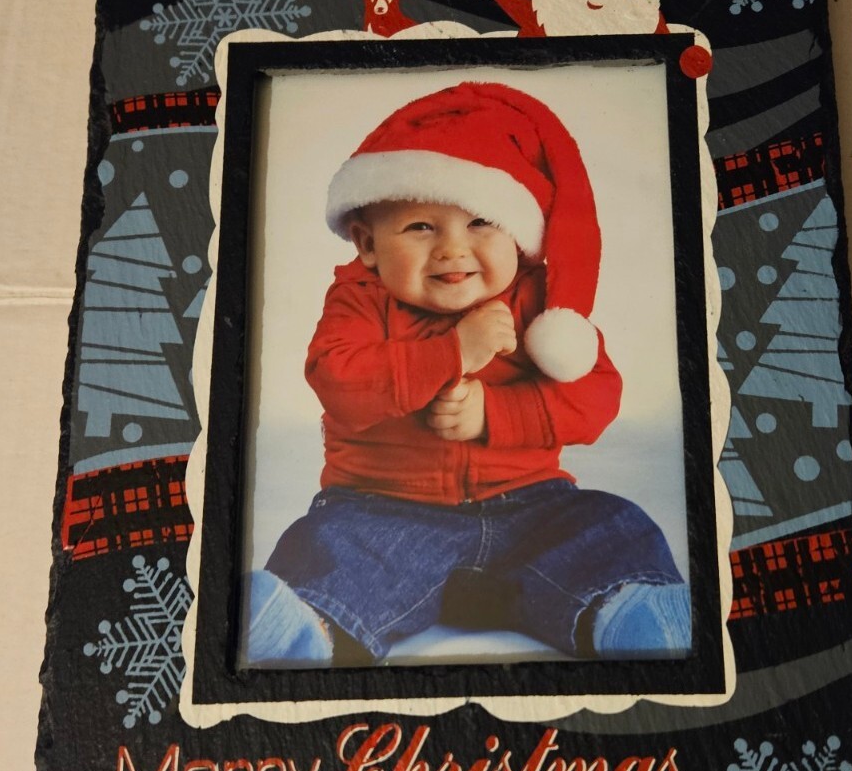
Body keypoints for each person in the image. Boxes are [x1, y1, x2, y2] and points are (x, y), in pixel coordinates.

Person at [245, 81, 690, 667]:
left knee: (611, 525)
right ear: (367, 244)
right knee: (328, 546)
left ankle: (635, 614)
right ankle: (299, 626)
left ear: (519, 236)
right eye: (420, 227)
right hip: (384, 512)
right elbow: (339, 381)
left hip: (532, 507)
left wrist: (495, 414)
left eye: (481, 222)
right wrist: (453, 351)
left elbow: (596, 397)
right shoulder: (358, 299)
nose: (453, 250)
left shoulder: (542, 308)